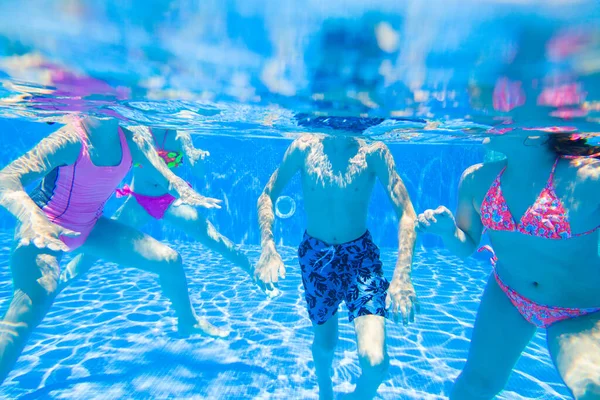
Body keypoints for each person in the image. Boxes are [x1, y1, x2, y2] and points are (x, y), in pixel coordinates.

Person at [0, 116, 227, 385]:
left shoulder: (133, 140)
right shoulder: (71, 139)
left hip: (91, 226)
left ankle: (188, 321)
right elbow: (7, 178)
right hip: (44, 224)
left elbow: (167, 177)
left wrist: (183, 191)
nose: (105, 108)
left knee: (169, 260)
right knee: (37, 298)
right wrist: (32, 218)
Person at [416, 131, 600, 399]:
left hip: (578, 310)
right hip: (508, 296)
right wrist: (447, 232)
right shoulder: (477, 179)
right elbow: (466, 245)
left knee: (590, 388)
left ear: (537, 132)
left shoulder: (587, 178)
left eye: (502, 116)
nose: (489, 122)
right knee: (476, 384)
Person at [254, 115, 419, 400]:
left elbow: (406, 212)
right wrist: (268, 247)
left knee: (375, 363)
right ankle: (324, 389)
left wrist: (402, 274)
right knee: (326, 345)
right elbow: (267, 195)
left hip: (360, 259)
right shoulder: (303, 148)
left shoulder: (374, 152)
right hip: (316, 258)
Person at [61, 127, 252, 287]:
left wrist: (198, 161)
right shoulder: (137, 131)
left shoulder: (180, 136)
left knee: (211, 236)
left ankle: (251, 269)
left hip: (169, 201)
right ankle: (61, 282)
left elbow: (199, 173)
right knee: (99, 245)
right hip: (138, 202)